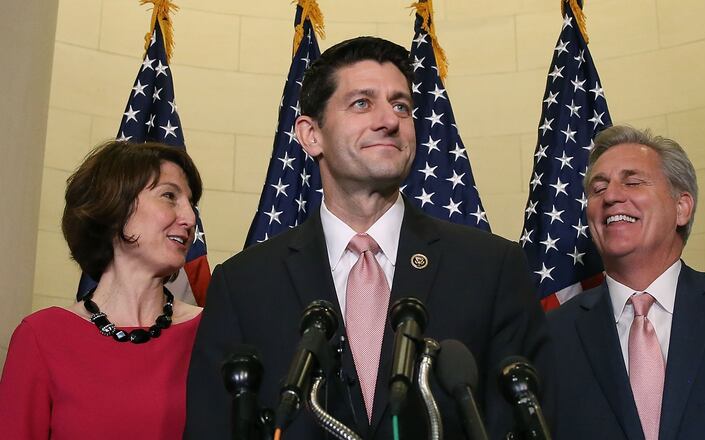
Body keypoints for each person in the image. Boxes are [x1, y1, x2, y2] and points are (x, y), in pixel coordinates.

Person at [185, 36, 553, 439]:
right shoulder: (244, 284)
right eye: (362, 103)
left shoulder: (490, 267)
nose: (390, 120)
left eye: (401, 106)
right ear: (311, 135)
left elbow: (522, 422)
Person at [548, 125, 705, 439]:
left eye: (632, 182)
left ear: (681, 207)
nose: (611, 196)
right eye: (598, 188)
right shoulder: (552, 335)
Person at [0, 141, 204, 439]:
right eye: (170, 196)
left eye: (191, 203)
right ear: (115, 206)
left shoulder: (211, 332)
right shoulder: (42, 336)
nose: (189, 218)